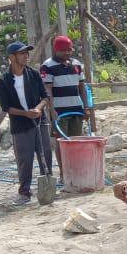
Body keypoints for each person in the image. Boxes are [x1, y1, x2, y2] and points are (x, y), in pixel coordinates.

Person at [0, 41, 52, 205]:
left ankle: (47, 191)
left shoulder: (33, 74)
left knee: (45, 156)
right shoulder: (4, 80)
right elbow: (6, 107)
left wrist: (39, 108)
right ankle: (24, 193)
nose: (26, 56)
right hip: (20, 125)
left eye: (27, 53)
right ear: (12, 58)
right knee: (24, 160)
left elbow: (45, 97)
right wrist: (25, 113)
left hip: (40, 121)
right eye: (22, 53)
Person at [40, 35, 88, 182]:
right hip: (60, 112)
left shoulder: (76, 64)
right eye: (64, 50)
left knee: (76, 142)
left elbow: (82, 87)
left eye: (70, 49)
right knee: (62, 143)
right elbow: (48, 91)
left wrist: (86, 107)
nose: (68, 52)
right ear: (56, 50)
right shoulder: (47, 66)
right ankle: (64, 174)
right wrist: (52, 112)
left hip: (76, 110)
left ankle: (77, 172)